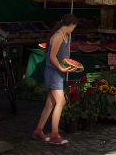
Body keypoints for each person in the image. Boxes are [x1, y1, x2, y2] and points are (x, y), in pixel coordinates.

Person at [34, 14, 78, 145]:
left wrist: (67, 66)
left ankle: (38, 131)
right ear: (70, 25)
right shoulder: (58, 36)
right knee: (61, 102)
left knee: (50, 104)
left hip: (58, 73)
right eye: (74, 27)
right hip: (54, 72)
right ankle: (54, 135)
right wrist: (61, 68)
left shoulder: (65, 35)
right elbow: (52, 56)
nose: (73, 30)